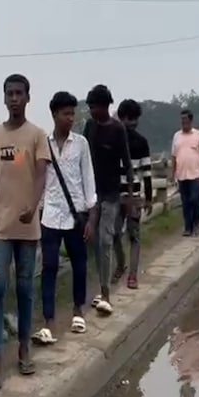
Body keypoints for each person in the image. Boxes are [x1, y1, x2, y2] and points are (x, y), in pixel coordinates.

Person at [0, 73, 49, 391]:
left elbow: (41, 177)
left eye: (20, 93)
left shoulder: (37, 135)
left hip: (28, 228)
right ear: (4, 98)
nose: (15, 98)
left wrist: (33, 207)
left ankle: (23, 348)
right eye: (10, 93)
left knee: (24, 289)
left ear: (28, 97)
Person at [32, 91, 97, 344]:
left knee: (79, 263)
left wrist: (91, 218)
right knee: (48, 267)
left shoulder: (81, 144)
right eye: (65, 113)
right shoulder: (43, 144)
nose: (70, 118)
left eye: (73, 113)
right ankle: (48, 321)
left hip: (75, 216)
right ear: (54, 115)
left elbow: (88, 180)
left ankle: (78, 311)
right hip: (50, 215)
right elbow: (38, 180)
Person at [83, 85, 134, 315]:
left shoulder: (117, 130)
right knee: (93, 241)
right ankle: (101, 282)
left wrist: (130, 197)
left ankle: (105, 293)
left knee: (105, 239)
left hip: (112, 194)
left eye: (94, 107)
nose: (92, 111)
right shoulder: (89, 127)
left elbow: (127, 163)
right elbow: (82, 158)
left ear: (105, 106)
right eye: (90, 107)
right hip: (91, 193)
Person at [114, 99, 153, 289]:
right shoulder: (112, 139)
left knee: (134, 236)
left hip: (134, 195)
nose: (132, 123)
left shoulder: (141, 142)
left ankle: (132, 275)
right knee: (113, 234)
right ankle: (121, 264)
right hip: (114, 195)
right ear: (122, 118)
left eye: (135, 119)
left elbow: (146, 172)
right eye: (130, 119)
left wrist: (149, 197)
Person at [171, 109, 199, 237]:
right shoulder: (176, 136)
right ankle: (188, 227)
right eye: (182, 120)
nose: (183, 122)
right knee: (185, 202)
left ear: (190, 120)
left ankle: (196, 224)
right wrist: (172, 173)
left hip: (196, 174)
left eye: (185, 120)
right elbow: (173, 156)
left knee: (194, 199)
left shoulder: (198, 135)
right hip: (181, 174)